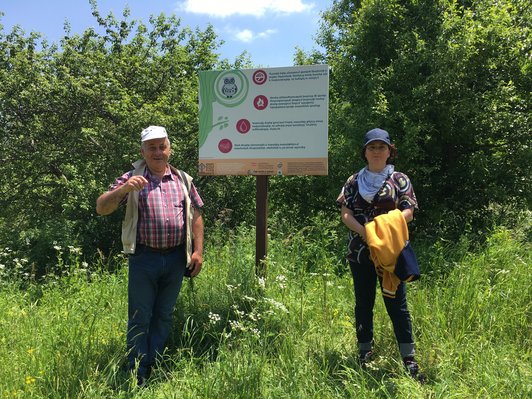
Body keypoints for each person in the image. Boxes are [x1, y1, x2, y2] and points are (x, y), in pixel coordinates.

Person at [96, 125, 204, 386]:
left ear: (169, 149)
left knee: (164, 314)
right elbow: (102, 207)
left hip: (177, 259)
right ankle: (136, 369)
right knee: (140, 316)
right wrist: (123, 190)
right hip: (144, 258)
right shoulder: (132, 177)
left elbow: (197, 215)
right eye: (151, 147)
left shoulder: (183, 179)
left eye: (162, 146)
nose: (158, 152)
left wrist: (198, 251)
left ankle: (155, 361)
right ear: (142, 151)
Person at [337, 128, 423, 380]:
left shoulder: (400, 180)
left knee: (398, 306)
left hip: (391, 254)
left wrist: (381, 230)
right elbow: (345, 213)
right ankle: (365, 353)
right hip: (361, 254)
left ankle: (409, 360)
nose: (376, 151)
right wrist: (367, 233)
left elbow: (408, 211)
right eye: (371, 147)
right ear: (364, 152)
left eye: (381, 147)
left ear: (389, 151)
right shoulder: (353, 181)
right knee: (363, 304)